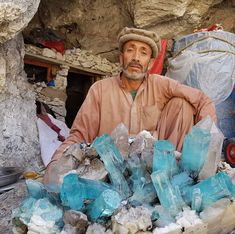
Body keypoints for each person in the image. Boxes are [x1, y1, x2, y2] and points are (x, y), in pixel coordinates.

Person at [43, 27, 216, 184]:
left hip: (153, 168)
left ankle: (174, 176)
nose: (136, 58)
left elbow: (202, 100)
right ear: (121, 57)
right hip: (110, 170)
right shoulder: (100, 89)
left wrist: (208, 144)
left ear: (150, 62)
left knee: (182, 105)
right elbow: (78, 135)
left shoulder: (161, 85)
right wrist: (54, 165)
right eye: (130, 50)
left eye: (143, 53)